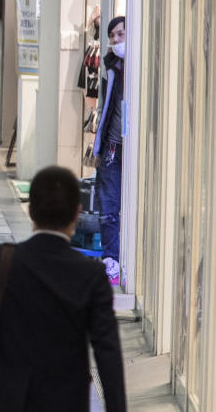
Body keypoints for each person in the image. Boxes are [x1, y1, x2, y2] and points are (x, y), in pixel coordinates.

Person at [0, 166, 127, 412]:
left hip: (6, 398)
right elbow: (107, 351)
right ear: (77, 213)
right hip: (66, 400)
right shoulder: (91, 275)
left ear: (31, 211)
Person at [93, 16, 126, 285]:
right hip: (113, 146)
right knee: (109, 206)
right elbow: (105, 108)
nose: (116, 40)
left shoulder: (143, 66)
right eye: (113, 36)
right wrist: (98, 146)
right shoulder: (111, 66)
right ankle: (111, 262)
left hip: (137, 149)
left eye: (121, 35)